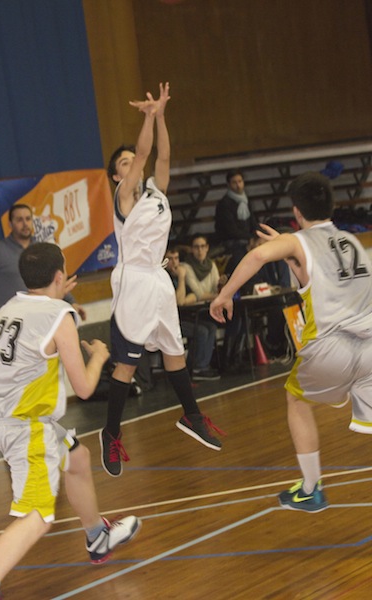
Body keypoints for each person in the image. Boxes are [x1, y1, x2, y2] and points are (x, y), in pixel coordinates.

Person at [0, 243, 140, 600]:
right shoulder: (60, 315)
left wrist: (56, 298)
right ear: (60, 276)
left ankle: (97, 536)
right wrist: (99, 356)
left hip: (0, 414)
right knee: (37, 515)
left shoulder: (10, 308)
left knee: (76, 457)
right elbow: (84, 388)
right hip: (24, 424)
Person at [210, 171, 372, 513]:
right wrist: (287, 251)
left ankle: (311, 489)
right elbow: (316, 274)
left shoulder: (299, 242)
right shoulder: (351, 241)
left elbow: (257, 257)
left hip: (332, 346)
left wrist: (224, 295)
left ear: (296, 211)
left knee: (296, 401)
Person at [100, 82, 224, 478]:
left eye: (130, 161)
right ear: (117, 176)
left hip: (158, 278)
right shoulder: (123, 197)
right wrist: (149, 117)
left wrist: (163, 116)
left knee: (175, 353)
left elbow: (163, 155)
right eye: (123, 164)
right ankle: (111, 433)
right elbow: (144, 153)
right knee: (126, 364)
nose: (131, 165)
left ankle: (192, 416)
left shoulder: (157, 192)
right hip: (133, 280)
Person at [0, 203, 86, 331]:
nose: (25, 224)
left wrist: (72, 302)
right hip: (5, 321)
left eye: (28, 219)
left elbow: (55, 280)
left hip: (37, 317)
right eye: (19, 220)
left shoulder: (41, 251)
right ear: (10, 224)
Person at [165, 245, 220, 381]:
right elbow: (179, 302)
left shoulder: (178, 275)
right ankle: (196, 368)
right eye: (170, 259)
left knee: (211, 327)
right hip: (169, 323)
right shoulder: (165, 278)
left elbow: (194, 296)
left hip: (184, 318)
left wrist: (185, 298)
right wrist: (182, 278)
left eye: (176, 258)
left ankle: (202, 365)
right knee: (201, 331)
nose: (174, 262)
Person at [214, 169, 258, 275]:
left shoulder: (246, 201)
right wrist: (250, 238)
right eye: (234, 182)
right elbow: (231, 231)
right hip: (231, 242)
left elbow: (253, 222)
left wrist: (257, 236)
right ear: (229, 184)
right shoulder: (224, 204)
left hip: (246, 239)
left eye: (240, 181)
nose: (238, 185)